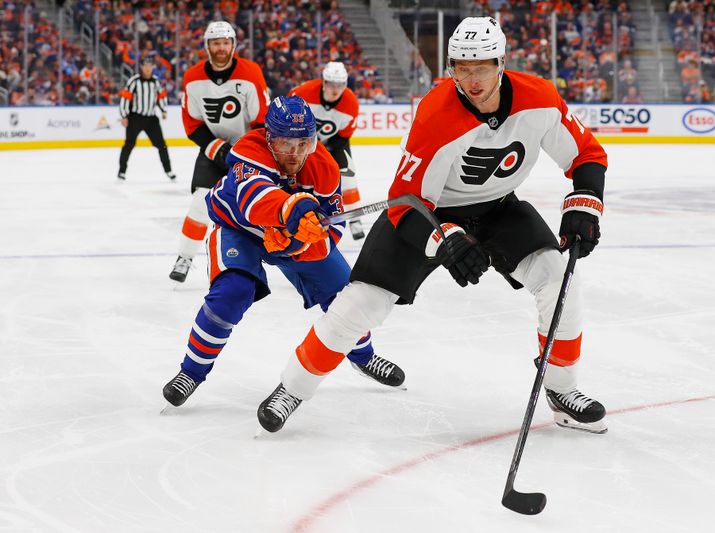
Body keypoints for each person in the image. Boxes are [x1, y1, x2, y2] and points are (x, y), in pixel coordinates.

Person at [257, 16, 610, 434]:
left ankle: (561, 389)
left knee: (559, 282)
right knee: (361, 303)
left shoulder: (541, 99)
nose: (472, 79)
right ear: (450, 67)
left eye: (481, 67)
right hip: (427, 214)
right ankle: (293, 387)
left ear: (502, 63)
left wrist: (584, 205)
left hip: (497, 207)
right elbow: (404, 204)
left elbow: (586, 154)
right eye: (461, 67)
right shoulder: (435, 114)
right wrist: (446, 239)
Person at [162, 95, 406, 409]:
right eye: (284, 144)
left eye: (303, 143)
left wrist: (301, 240)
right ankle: (191, 373)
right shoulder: (249, 150)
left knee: (347, 298)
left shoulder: (325, 168)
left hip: (293, 242)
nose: (294, 153)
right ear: (268, 138)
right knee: (232, 292)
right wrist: (296, 211)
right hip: (240, 231)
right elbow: (255, 199)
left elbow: (331, 232)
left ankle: (363, 356)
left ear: (313, 141)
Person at [169, 20, 270, 283]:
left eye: (226, 42)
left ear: (233, 45)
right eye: (216, 43)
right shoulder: (192, 77)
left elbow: (261, 119)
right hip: (212, 148)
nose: (221, 47)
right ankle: (185, 257)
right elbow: (192, 124)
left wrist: (246, 148)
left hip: (248, 150)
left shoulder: (251, 72)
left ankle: (267, 258)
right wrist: (217, 147)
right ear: (207, 46)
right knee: (200, 203)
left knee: (255, 205)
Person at [289, 62, 365, 240]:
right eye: (331, 83)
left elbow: (343, 135)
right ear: (323, 82)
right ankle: (293, 211)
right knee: (292, 175)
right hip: (299, 141)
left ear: (345, 84)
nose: (335, 89)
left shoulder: (351, 103)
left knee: (347, 175)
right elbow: (287, 117)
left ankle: (355, 219)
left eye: (339, 85)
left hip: (333, 143)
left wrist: (324, 154)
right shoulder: (303, 93)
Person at [117, 56, 174, 181]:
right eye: (145, 66)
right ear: (141, 67)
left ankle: (169, 170)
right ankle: (121, 172)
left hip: (151, 119)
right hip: (135, 118)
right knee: (129, 144)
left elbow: (161, 96)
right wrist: (124, 115)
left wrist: (163, 110)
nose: (148, 68)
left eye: (150, 66)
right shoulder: (134, 81)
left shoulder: (156, 81)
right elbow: (125, 98)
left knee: (161, 145)